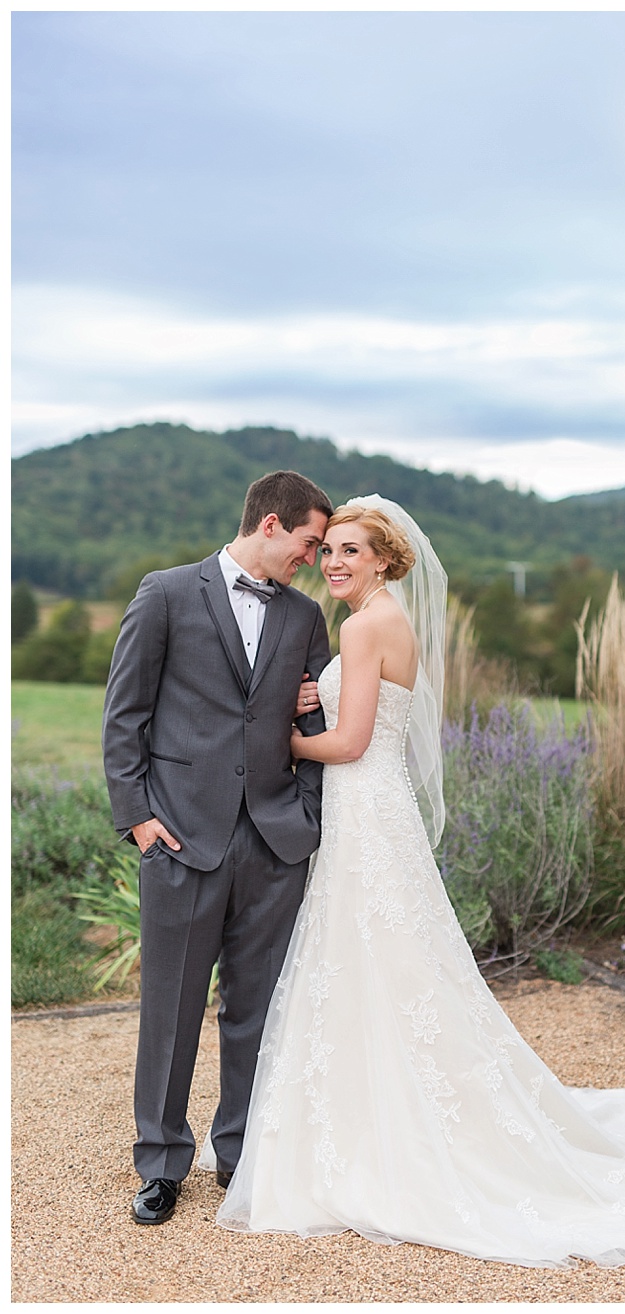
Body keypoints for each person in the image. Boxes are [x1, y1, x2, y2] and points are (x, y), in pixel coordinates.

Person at [201, 495, 625, 1268]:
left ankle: (378, 1130)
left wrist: (277, 737)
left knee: (373, 957)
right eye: (330, 551)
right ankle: (382, 1112)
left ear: (384, 559)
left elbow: (349, 745)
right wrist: (313, 701)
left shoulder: (361, 624)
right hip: (374, 812)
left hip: (365, 806)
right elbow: (361, 720)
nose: (335, 563)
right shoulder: (389, 622)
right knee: (387, 961)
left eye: (352, 551)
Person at [102, 470, 335, 1226]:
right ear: (271, 525)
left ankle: (239, 1154)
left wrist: (302, 814)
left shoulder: (304, 618)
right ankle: (162, 1163)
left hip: (274, 842)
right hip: (180, 837)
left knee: (257, 1010)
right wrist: (139, 817)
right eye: (308, 543)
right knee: (169, 1010)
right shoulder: (165, 593)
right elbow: (124, 716)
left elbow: (315, 726)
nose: (313, 559)